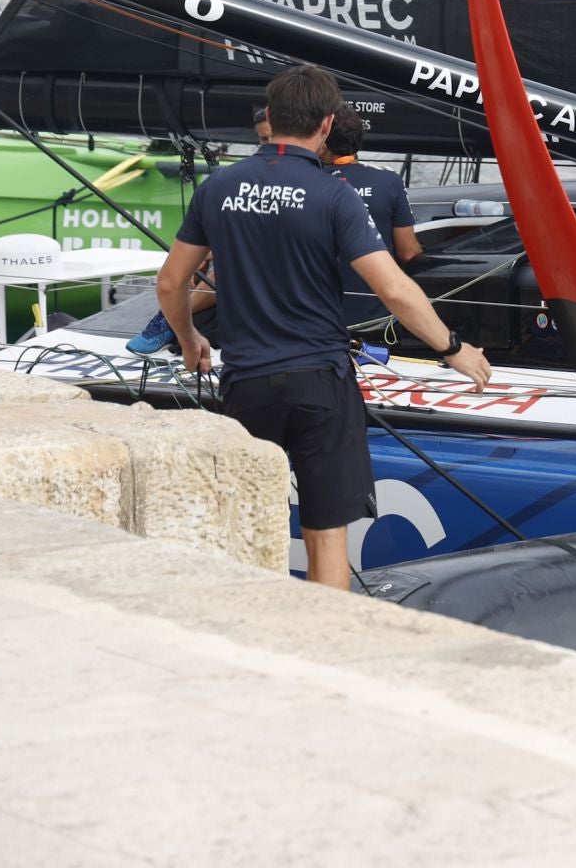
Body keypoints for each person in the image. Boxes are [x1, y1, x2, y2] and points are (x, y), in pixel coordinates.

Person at [154, 65, 491, 588]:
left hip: (246, 384)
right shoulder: (334, 195)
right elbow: (396, 289)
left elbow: (172, 284)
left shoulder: (219, 186)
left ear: (272, 118)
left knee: (244, 529)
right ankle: (323, 652)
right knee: (326, 537)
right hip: (319, 382)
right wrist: (453, 347)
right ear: (327, 124)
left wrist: (188, 338)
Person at [126, 105, 272, 355]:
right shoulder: (246, 177)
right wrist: (206, 254)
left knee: (232, 265)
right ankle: (174, 315)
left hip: (277, 273)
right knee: (213, 260)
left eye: (272, 138)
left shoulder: (313, 180)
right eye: (262, 139)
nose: (266, 146)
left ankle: (171, 318)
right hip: (256, 267)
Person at [325, 104, 421, 327]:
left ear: (323, 140)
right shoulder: (389, 181)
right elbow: (409, 252)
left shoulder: (307, 181)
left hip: (319, 320)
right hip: (377, 319)